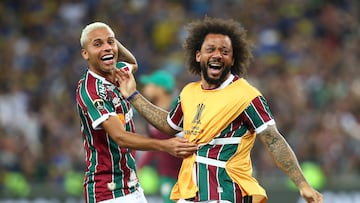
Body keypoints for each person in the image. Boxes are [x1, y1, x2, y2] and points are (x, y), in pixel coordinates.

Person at [115, 17, 323, 203]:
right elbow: (169, 124)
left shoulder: (246, 96)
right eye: (210, 50)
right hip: (189, 193)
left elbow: (273, 139)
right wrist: (134, 96)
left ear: (233, 59)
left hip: (226, 193)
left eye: (225, 51)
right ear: (198, 55)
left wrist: (303, 184)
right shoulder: (189, 92)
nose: (217, 55)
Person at [75, 22, 198, 203]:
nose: (107, 47)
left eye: (110, 42)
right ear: (85, 53)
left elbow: (132, 63)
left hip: (131, 186)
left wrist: (111, 46)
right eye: (97, 44)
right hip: (108, 191)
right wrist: (166, 145)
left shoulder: (119, 74)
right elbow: (120, 137)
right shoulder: (91, 91)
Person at [137, 70, 183, 203]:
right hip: (168, 175)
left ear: (160, 88)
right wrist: (140, 168)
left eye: (148, 84)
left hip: (190, 174)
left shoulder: (180, 110)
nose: (144, 88)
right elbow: (154, 145)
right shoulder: (151, 117)